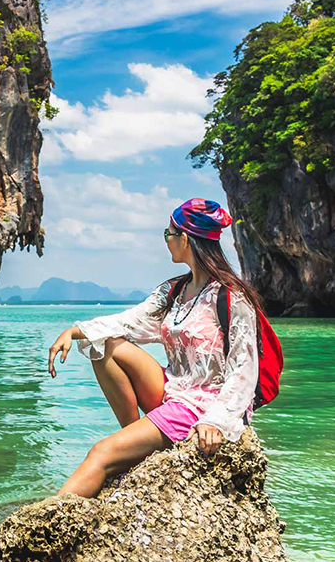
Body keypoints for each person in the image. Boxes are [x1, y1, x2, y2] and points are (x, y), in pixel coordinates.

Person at [46, 197, 264, 498]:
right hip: (174, 390)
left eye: (167, 234)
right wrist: (74, 331)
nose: (166, 241)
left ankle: (45, 518)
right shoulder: (175, 290)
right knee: (105, 344)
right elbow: (130, 321)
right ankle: (133, 444)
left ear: (184, 239)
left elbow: (244, 368)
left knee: (101, 453)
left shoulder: (231, 297)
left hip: (203, 406)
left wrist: (215, 420)